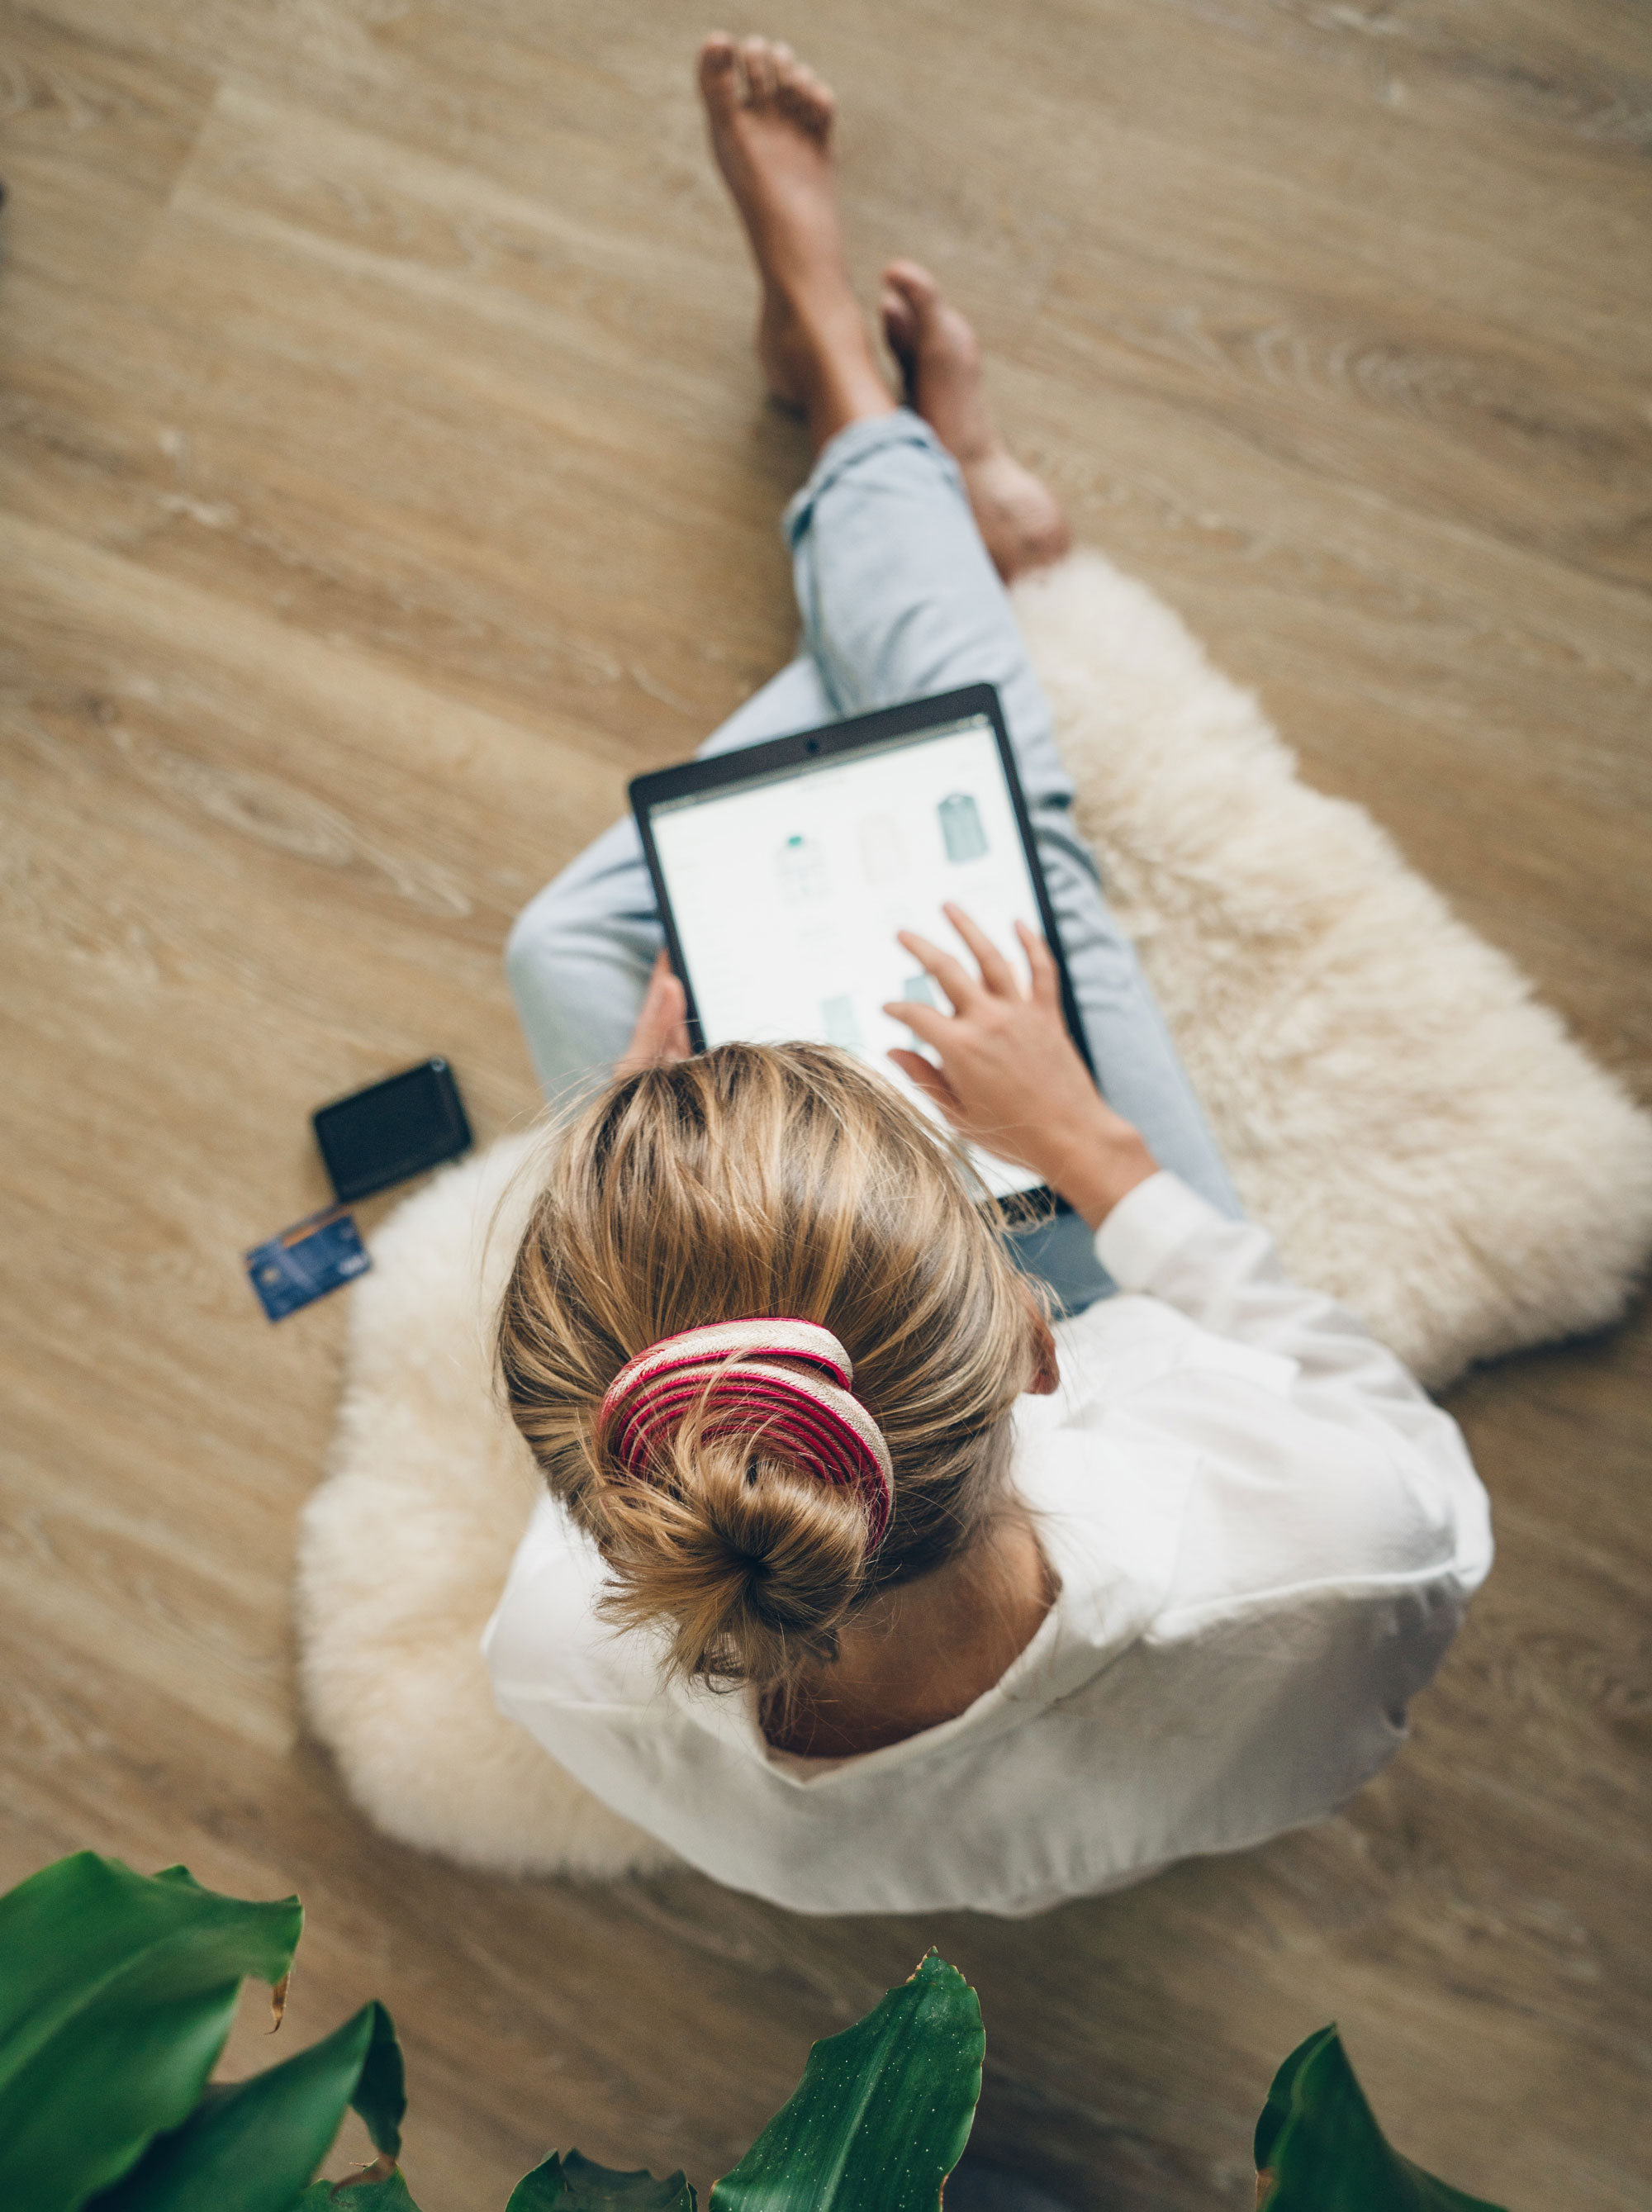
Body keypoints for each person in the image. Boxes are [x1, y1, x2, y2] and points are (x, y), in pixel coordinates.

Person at [483, 35, 1493, 1920]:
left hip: (836, 1451)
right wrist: (1089, 1147)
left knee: (569, 947)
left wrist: (638, 1137)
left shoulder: (557, 1655)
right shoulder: (1333, 1545)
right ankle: (890, 442)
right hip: (1068, 1343)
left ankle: (913, 496)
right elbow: (1374, 1407)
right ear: (1039, 1335)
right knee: (1008, 830)